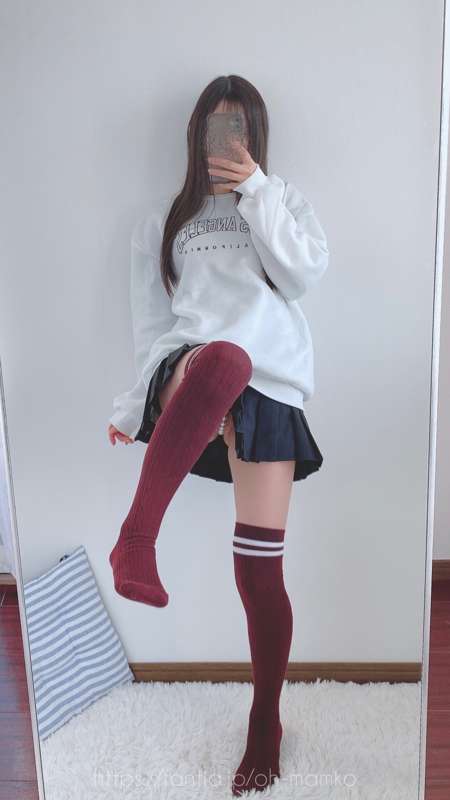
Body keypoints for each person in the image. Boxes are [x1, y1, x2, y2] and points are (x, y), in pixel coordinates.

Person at [108, 74, 329, 796]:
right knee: (224, 359)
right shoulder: (164, 219)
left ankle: (266, 721)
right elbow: (150, 324)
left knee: (261, 572)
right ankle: (136, 538)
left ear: (255, 135)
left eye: (241, 126)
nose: (227, 138)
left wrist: (257, 190)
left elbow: (301, 277)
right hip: (193, 366)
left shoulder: (282, 201)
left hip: (269, 388)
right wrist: (133, 406)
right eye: (216, 124)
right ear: (196, 132)